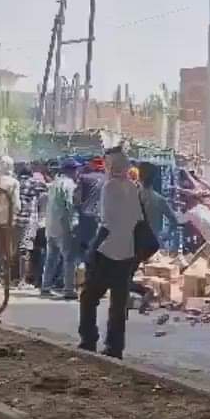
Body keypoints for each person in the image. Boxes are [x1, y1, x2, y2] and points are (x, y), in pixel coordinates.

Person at [78, 148, 143, 358]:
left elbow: (107, 222)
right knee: (119, 302)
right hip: (127, 251)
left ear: (110, 165)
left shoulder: (109, 186)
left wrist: (92, 249)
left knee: (89, 297)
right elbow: (137, 219)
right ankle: (115, 346)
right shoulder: (132, 188)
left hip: (107, 250)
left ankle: (89, 339)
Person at [42, 159, 81, 300]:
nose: (77, 172)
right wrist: (73, 225)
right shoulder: (69, 185)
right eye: (76, 170)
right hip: (63, 226)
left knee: (51, 257)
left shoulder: (54, 183)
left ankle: (45, 286)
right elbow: (69, 206)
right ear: (71, 170)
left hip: (51, 225)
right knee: (69, 258)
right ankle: (68, 289)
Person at [74, 156, 107, 261]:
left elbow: (77, 198)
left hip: (86, 217)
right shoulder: (109, 179)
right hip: (103, 217)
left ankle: (81, 270)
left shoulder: (84, 178)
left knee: (83, 246)